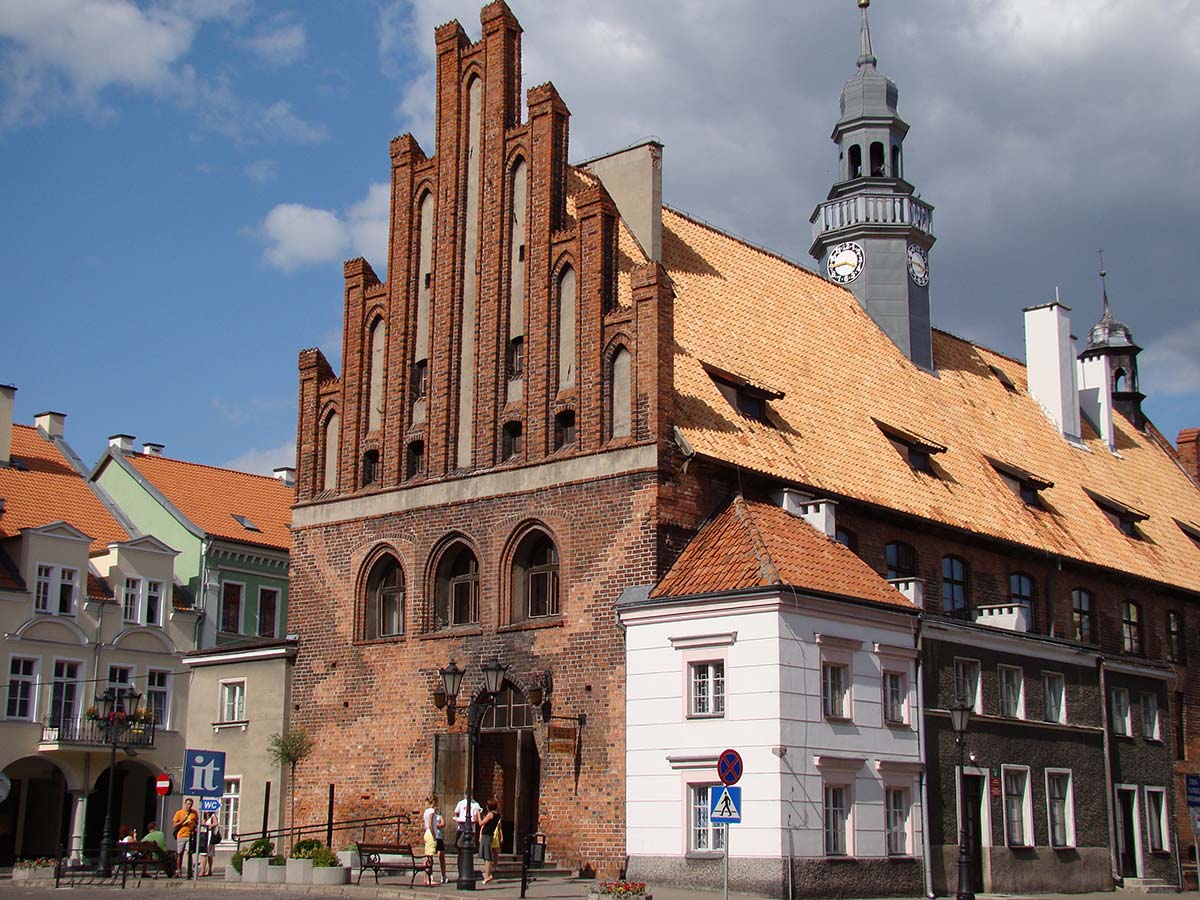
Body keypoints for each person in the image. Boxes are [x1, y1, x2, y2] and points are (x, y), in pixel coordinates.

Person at [422, 795, 447, 886]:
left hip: (426, 833)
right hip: (431, 834)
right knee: (429, 858)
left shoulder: (426, 811)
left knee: (427, 856)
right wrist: (433, 834)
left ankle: (426, 878)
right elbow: (430, 824)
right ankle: (428, 879)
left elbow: (425, 825)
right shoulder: (432, 811)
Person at [171, 798, 199, 877]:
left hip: (190, 835)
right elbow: (174, 825)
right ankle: (178, 870)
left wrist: (195, 829)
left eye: (191, 804)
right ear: (185, 804)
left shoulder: (194, 813)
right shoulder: (179, 813)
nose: (189, 806)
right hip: (181, 835)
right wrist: (183, 821)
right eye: (188, 804)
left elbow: (197, 823)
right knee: (180, 853)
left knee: (189, 853)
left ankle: (190, 871)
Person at [477, 799, 500, 884]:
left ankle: (488, 875)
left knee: (487, 857)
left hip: (486, 836)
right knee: (487, 856)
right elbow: (487, 821)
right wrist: (483, 815)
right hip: (489, 835)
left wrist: (478, 814)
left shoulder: (491, 814)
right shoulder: (497, 815)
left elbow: (481, 823)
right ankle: (487, 874)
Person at [198, 809, 220, 876]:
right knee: (206, 854)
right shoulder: (204, 817)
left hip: (210, 836)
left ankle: (203, 871)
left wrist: (207, 825)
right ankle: (207, 870)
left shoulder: (213, 815)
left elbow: (216, 823)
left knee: (206, 853)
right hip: (205, 835)